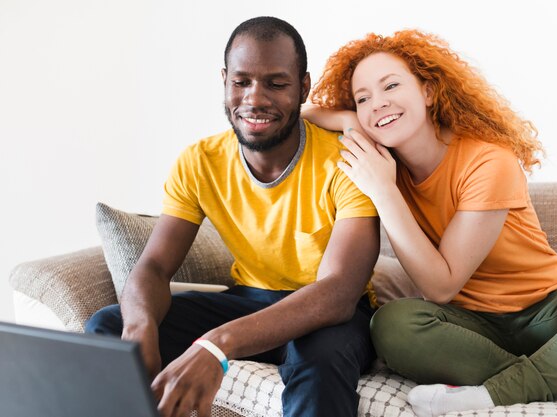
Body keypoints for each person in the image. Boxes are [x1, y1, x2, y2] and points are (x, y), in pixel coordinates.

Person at [304, 29, 557, 416]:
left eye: (391, 85)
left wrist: (384, 192)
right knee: (391, 324)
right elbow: (302, 112)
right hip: (470, 329)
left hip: (551, 313)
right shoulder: (380, 160)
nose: (379, 104)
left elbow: (442, 283)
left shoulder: (488, 160)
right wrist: (350, 120)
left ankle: (516, 387)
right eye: (363, 98)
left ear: (427, 91)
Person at [85, 17, 381, 417]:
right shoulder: (200, 161)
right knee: (108, 327)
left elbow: (339, 294)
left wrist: (217, 344)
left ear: (303, 87)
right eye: (241, 82)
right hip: (251, 301)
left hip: (326, 315)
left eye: (276, 83)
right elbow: (154, 266)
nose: (255, 99)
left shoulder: (346, 162)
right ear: (224, 80)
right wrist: (139, 328)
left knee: (320, 364)